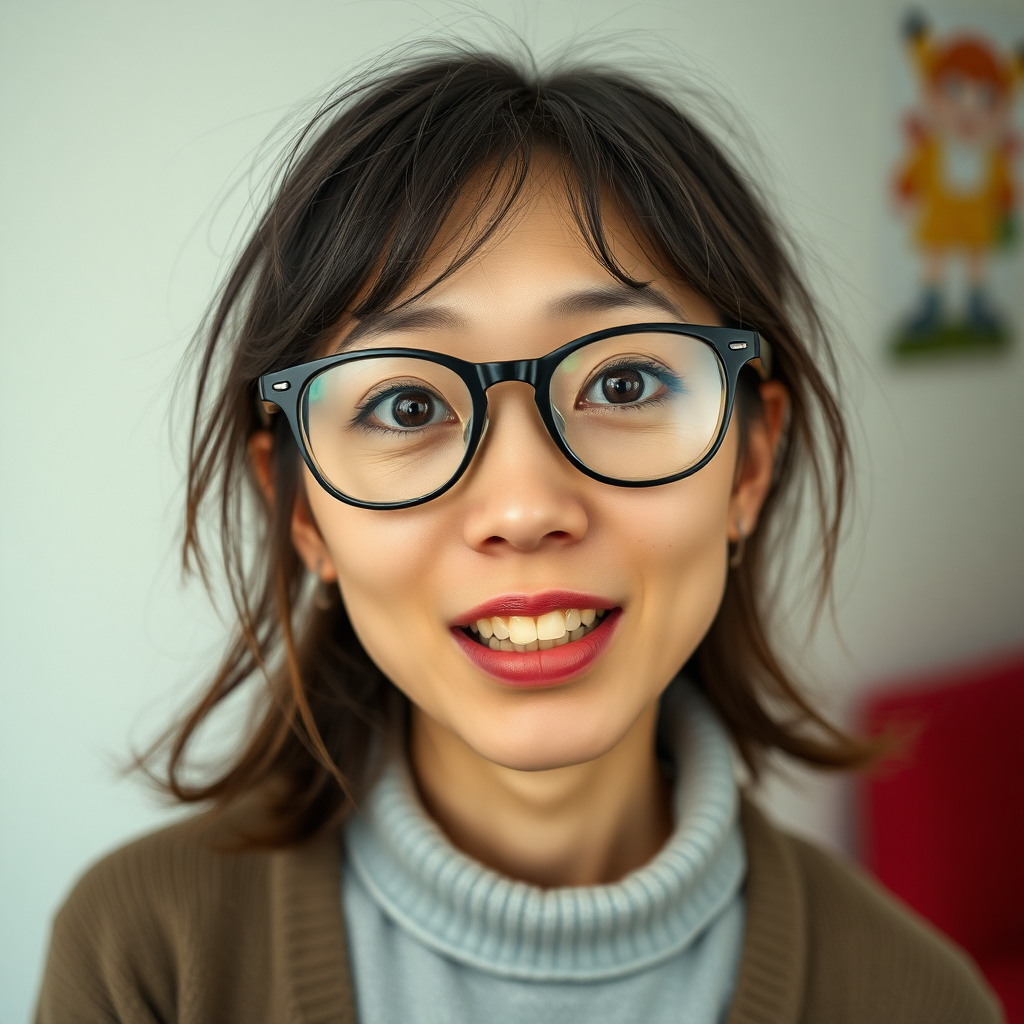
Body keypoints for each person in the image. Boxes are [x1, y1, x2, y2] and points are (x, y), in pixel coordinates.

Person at [36, 43, 1001, 1024]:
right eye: (407, 404)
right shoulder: (142, 959)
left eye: (623, 384)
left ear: (747, 466)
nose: (523, 507)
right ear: (301, 511)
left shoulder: (922, 1001)